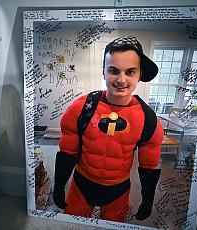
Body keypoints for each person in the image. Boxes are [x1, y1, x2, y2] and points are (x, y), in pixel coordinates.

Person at [53, 36, 164, 222]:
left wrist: (147, 200)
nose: (121, 79)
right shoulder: (81, 108)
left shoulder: (149, 120)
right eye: (113, 70)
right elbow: (67, 152)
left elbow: (149, 166)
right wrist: (58, 186)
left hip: (118, 190)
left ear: (140, 74)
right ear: (103, 72)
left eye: (130, 72)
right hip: (81, 184)